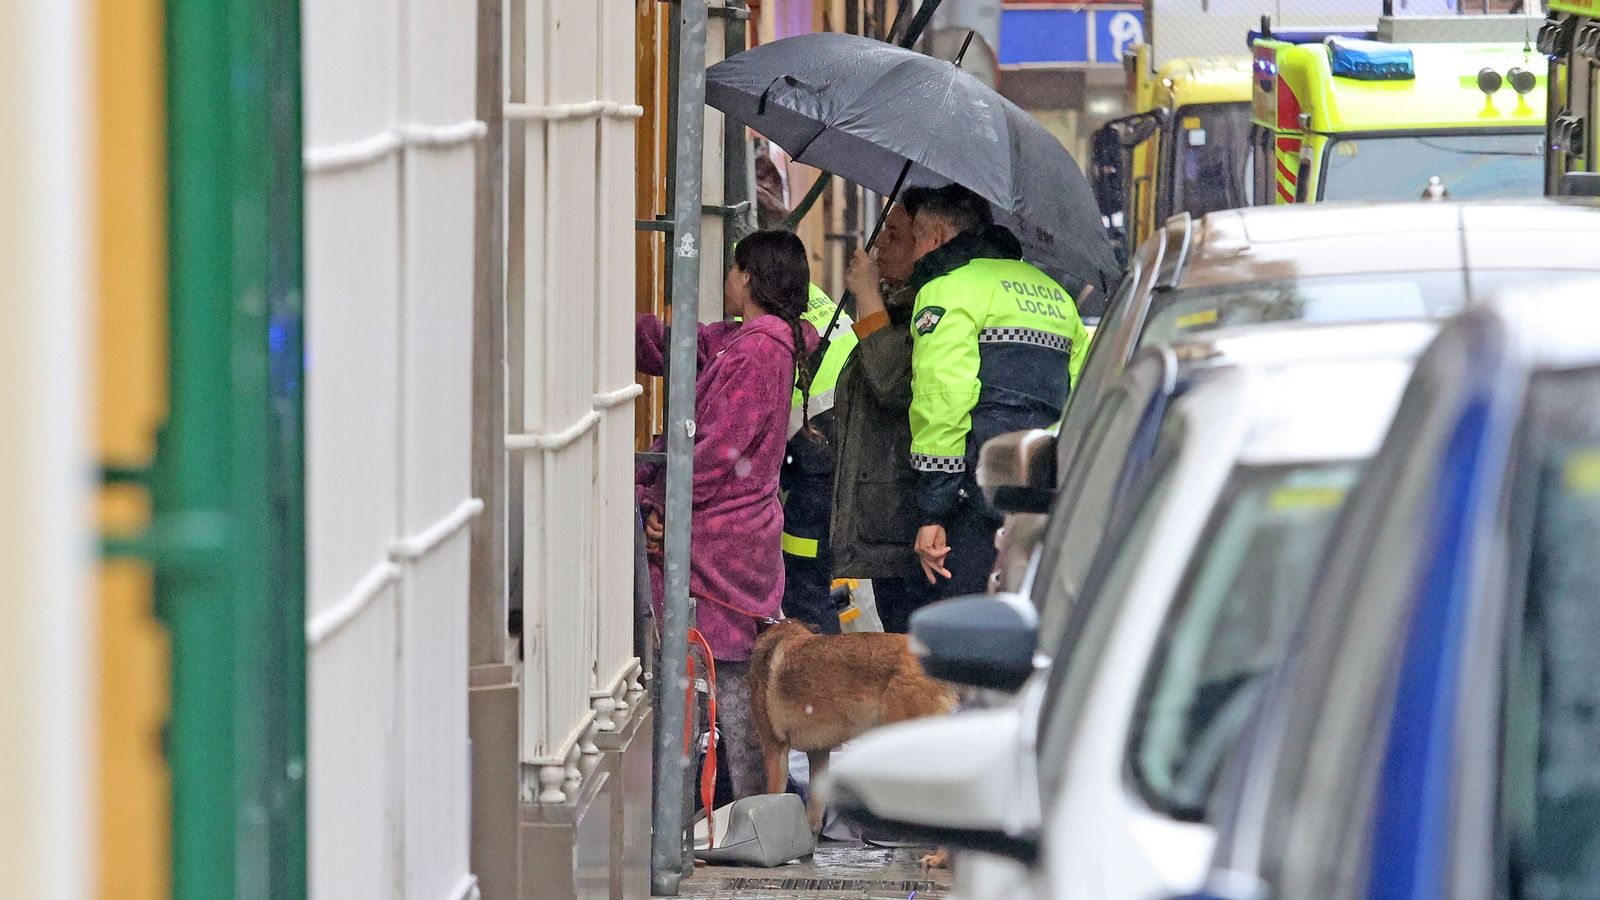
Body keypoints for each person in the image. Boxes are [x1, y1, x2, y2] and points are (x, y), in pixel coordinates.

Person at [635, 229, 820, 802]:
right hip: (735, 535)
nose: (725, 281)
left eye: (732, 271)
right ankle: (732, 803)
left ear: (748, 277)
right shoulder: (756, 342)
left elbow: (716, 450)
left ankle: (737, 807)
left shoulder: (760, 350)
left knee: (719, 678)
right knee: (721, 676)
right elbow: (684, 344)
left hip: (721, 540)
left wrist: (663, 500)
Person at [900, 184, 1090, 597]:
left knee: (960, 632)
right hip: (1041, 494)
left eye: (915, 238)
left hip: (974, 500)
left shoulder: (946, 291)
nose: (913, 252)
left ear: (935, 238)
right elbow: (1081, 399)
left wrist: (933, 510)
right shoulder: (1057, 297)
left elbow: (943, 399)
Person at [830, 204, 941, 632]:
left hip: (901, 518)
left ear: (926, 243)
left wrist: (868, 296)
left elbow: (890, 380)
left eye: (895, 236)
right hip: (880, 515)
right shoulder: (901, 303)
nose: (879, 246)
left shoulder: (928, 309)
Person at [777, 284, 858, 634]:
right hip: (838, 446)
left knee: (806, 592)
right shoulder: (799, 287)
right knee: (819, 586)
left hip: (815, 457)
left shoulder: (754, 299)